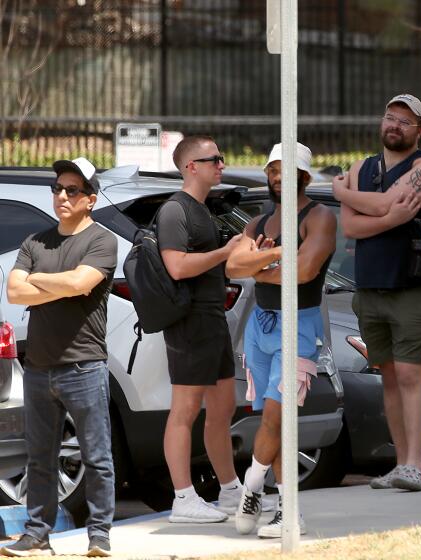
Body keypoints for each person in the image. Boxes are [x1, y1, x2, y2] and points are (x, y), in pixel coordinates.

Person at [3, 158, 117, 557]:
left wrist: (40, 280)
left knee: (96, 455)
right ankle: (37, 535)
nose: (62, 196)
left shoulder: (103, 241)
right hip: (38, 367)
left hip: (84, 365)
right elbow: (14, 292)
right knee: (39, 458)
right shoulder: (36, 241)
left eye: (72, 190)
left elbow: (80, 282)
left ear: (89, 198)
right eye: (57, 189)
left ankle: (99, 535)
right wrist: (61, 286)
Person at [332, 94, 421, 491]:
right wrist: (389, 216)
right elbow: (351, 228)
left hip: (413, 288)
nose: (395, 125)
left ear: (419, 130)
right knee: (391, 379)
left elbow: (386, 202)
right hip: (370, 287)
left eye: (405, 120)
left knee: (413, 374)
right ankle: (402, 463)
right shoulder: (361, 167)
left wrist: (344, 194)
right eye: (390, 117)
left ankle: (417, 463)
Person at [226, 142, 336, 537]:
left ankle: (252, 487)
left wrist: (262, 265)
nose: (276, 177)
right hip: (260, 325)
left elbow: (305, 272)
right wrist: (272, 261)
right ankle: (287, 510)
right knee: (272, 421)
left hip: (298, 324)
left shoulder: (318, 216)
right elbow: (233, 264)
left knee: (276, 416)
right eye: (272, 170)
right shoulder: (258, 222)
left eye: (284, 170)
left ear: (303, 175)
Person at [158, 136, 244, 522]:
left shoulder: (202, 210)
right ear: (191, 166)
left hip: (212, 318)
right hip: (190, 321)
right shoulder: (175, 211)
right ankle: (183, 498)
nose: (222, 165)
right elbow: (176, 266)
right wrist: (226, 252)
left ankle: (229, 490)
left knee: (222, 408)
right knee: (185, 410)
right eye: (215, 159)